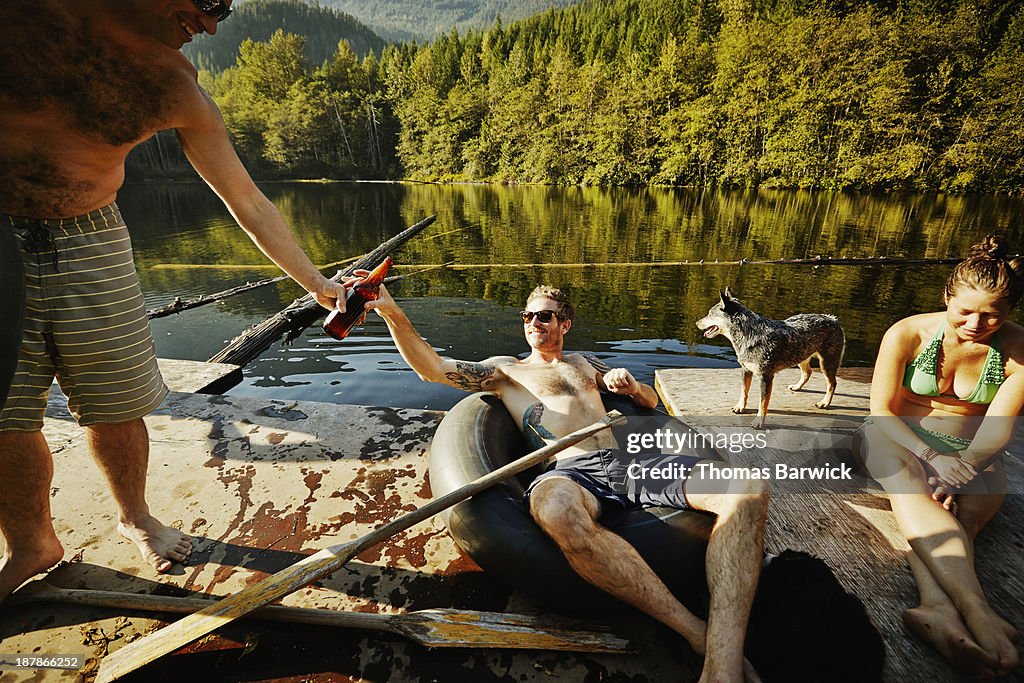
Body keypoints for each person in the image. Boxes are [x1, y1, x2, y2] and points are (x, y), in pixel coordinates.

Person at [0, 0, 352, 603]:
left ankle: (135, 516)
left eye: (227, 10)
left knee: (115, 398)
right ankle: (31, 543)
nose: (213, 24)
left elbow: (247, 200)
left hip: (91, 236)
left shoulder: (171, 83)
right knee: (4, 412)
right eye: (209, 3)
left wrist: (316, 283)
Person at [367, 283, 769, 682]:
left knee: (748, 488)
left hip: (630, 464)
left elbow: (648, 401)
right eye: (528, 316)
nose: (534, 323)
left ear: (565, 323)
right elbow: (432, 368)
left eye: (545, 315)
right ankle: (694, 631)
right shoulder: (507, 370)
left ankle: (723, 666)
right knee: (556, 509)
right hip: (570, 470)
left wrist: (633, 386)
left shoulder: (585, 362)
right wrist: (391, 313)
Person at [856, 235, 1023, 677]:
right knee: (910, 487)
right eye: (964, 310)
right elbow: (881, 411)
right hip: (895, 439)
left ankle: (934, 608)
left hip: (971, 456)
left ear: (1010, 312)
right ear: (946, 296)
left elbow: (998, 430)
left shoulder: (1019, 353)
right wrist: (932, 457)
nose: (975, 323)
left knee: (964, 518)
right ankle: (978, 610)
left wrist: (960, 470)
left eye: (992, 315)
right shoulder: (907, 332)